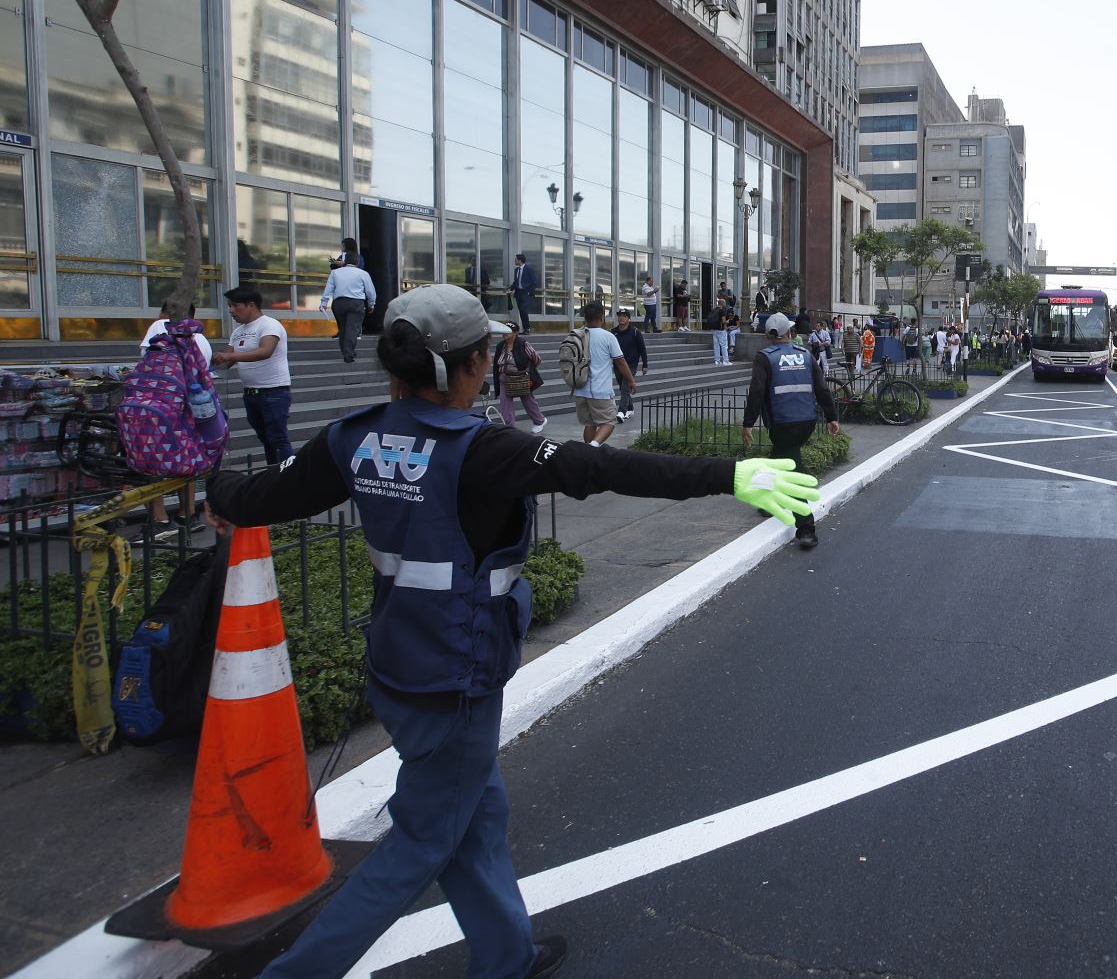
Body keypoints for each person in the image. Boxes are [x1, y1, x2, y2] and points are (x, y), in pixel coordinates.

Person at [204, 284, 817, 979]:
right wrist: (728, 474)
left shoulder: (352, 436)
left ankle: (505, 956)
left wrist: (216, 491)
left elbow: (261, 494)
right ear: (467, 366)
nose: (493, 364)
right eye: (488, 354)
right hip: (456, 674)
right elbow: (596, 466)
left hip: (399, 665)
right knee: (424, 841)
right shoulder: (478, 449)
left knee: (474, 816)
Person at [743, 313, 838, 551]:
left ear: (768, 335)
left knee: (793, 469)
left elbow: (756, 392)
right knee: (779, 458)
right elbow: (822, 388)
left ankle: (806, 528)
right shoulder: (805, 354)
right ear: (789, 332)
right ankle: (767, 502)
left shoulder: (764, 357)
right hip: (807, 421)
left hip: (781, 424)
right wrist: (831, 416)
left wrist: (748, 423)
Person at [140, 299, 211, 539]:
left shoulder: (160, 327)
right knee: (186, 459)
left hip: (160, 407)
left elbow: (146, 363)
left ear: (164, 314)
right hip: (192, 409)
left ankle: (159, 519)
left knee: (146, 457)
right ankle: (188, 515)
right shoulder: (200, 337)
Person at [213, 286, 292, 465]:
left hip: (273, 392)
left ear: (251, 305)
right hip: (250, 394)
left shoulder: (269, 325)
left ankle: (289, 474)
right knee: (266, 439)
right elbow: (225, 361)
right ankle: (274, 472)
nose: (231, 311)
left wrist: (230, 356)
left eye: (235, 305)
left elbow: (266, 351)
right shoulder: (237, 332)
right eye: (229, 306)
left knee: (277, 439)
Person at [570, 301, 633, 446]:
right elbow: (621, 362)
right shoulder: (608, 337)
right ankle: (594, 445)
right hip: (600, 390)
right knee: (609, 421)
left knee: (590, 423)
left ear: (585, 318)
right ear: (602, 317)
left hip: (580, 389)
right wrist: (631, 380)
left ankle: (588, 452)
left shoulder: (576, 336)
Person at [492, 322, 547, 434]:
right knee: (505, 403)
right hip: (504, 379)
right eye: (503, 331)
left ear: (515, 333)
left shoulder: (523, 343)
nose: (504, 334)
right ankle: (509, 427)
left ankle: (539, 421)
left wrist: (527, 370)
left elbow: (536, 359)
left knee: (528, 401)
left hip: (520, 377)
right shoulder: (500, 345)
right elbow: (496, 363)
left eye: (508, 331)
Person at [321, 256, 378, 364]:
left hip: (339, 303)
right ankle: (349, 354)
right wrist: (371, 304)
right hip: (356, 303)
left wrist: (324, 302)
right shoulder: (363, 273)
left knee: (343, 328)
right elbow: (370, 291)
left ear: (345, 262)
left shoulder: (335, 272)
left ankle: (345, 351)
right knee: (352, 329)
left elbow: (329, 288)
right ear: (357, 262)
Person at [613, 308, 649, 422]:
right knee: (623, 388)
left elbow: (642, 349)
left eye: (624, 316)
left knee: (625, 388)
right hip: (618, 365)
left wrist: (645, 364)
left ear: (629, 319)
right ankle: (630, 408)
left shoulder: (635, 332)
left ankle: (621, 412)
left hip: (631, 365)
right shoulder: (613, 332)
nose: (621, 318)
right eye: (620, 316)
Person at [508, 253, 537, 332]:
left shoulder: (529, 269)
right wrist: (510, 289)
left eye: (516, 259)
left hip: (526, 293)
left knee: (524, 310)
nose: (515, 260)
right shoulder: (516, 270)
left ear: (520, 260)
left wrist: (529, 292)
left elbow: (534, 282)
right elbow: (516, 282)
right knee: (521, 310)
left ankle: (527, 328)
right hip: (518, 293)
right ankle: (525, 328)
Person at [705, 297, 730, 365]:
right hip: (721, 330)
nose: (725, 304)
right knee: (724, 345)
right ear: (722, 303)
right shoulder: (722, 310)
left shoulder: (713, 310)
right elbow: (723, 321)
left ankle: (717, 361)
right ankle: (725, 361)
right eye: (724, 302)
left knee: (716, 345)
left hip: (714, 329)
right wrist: (727, 321)